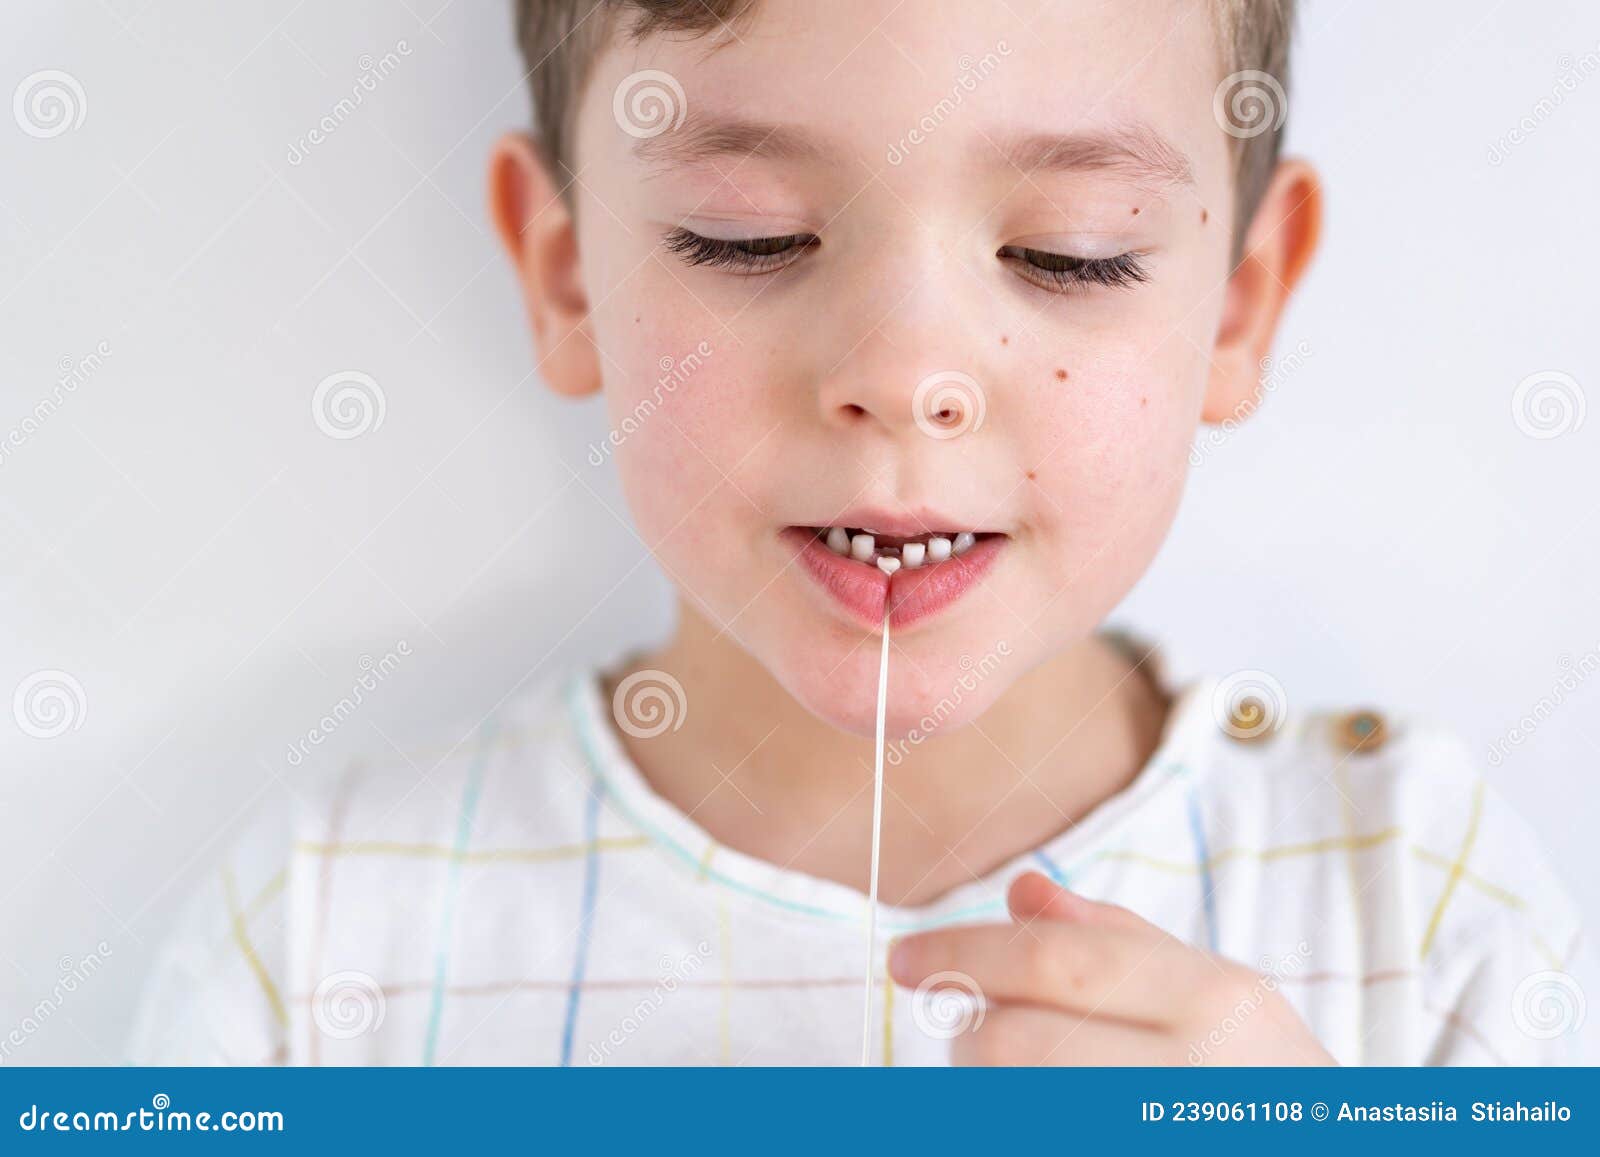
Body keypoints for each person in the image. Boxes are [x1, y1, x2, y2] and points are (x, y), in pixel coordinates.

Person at [130, 0, 1594, 1066]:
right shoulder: (326, 935)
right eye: (747, 234)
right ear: (569, 274)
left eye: (1068, 253)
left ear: (1240, 302)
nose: (906, 376)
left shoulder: (1412, 890)